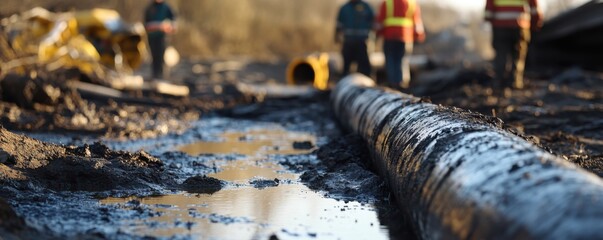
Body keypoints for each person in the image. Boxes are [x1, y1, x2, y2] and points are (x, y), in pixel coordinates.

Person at [485, 0, 542, 91]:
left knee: (501, 54)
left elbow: (488, 11)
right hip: (520, 26)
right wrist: (536, 24)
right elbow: (535, 10)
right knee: (518, 55)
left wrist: (492, 21)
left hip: (500, 26)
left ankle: (499, 82)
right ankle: (515, 82)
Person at [375, 0, 425, 89]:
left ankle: (392, 83)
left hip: (389, 37)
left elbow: (379, 22)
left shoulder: (387, 3)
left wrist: (378, 34)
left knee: (390, 60)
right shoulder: (412, 3)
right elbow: (417, 24)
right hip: (406, 37)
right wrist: (419, 36)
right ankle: (403, 83)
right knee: (403, 60)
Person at [335, 0, 375, 77]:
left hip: (362, 42)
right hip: (348, 42)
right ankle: (345, 80)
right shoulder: (344, 8)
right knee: (346, 65)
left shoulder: (366, 7)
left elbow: (373, 22)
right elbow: (338, 25)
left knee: (364, 66)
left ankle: (366, 80)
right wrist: (336, 37)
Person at [144, 0, 176, 79]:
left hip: (162, 37)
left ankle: (161, 76)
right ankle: (155, 75)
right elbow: (146, 24)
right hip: (152, 37)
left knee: (161, 56)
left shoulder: (166, 7)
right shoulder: (150, 8)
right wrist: (155, 26)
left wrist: (168, 26)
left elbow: (174, 23)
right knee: (154, 56)